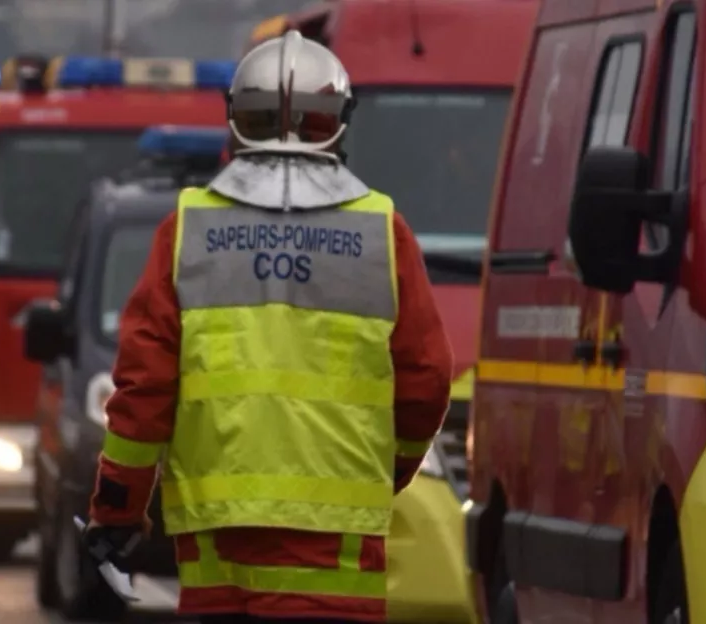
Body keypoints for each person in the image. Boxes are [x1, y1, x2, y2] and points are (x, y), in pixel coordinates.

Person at [86, 30, 454, 624]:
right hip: (335, 552)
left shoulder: (188, 230)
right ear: (340, 119)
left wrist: (118, 508)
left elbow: (143, 388)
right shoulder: (383, 233)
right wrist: (386, 471)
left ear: (236, 120)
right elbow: (428, 380)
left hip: (217, 548)